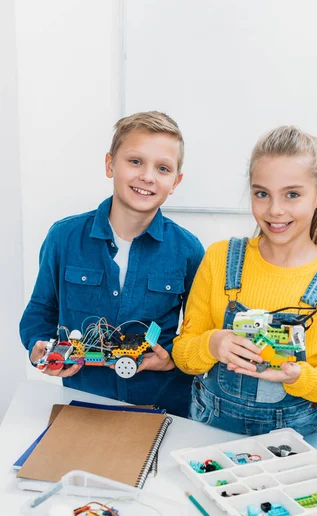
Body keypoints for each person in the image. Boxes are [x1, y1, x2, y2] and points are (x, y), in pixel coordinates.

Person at [172, 125, 317, 435]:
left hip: (289, 445)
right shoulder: (218, 258)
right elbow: (183, 354)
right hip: (208, 434)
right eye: (262, 194)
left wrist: (300, 379)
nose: (275, 210)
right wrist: (212, 344)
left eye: (292, 194)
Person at [20, 111, 204, 417]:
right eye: (135, 161)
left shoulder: (188, 250)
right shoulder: (64, 238)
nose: (147, 176)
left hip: (164, 409)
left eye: (162, 168)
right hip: (85, 406)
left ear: (175, 181)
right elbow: (40, 312)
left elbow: (198, 330)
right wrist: (39, 347)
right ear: (110, 164)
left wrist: (171, 357)